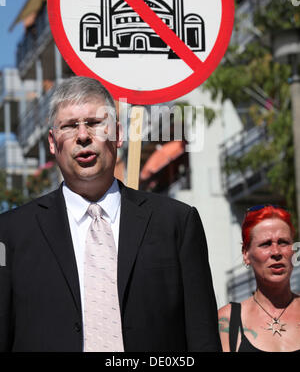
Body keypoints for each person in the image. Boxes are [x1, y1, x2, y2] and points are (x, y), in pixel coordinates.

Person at [0, 76, 221, 352]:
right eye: (69, 126)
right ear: (53, 142)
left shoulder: (176, 223)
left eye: (94, 123)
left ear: (117, 134)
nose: (83, 136)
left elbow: (202, 337)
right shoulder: (10, 233)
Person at [218, 204, 300, 352]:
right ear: (246, 254)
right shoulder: (227, 321)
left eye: (283, 242)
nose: (276, 252)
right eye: (266, 244)